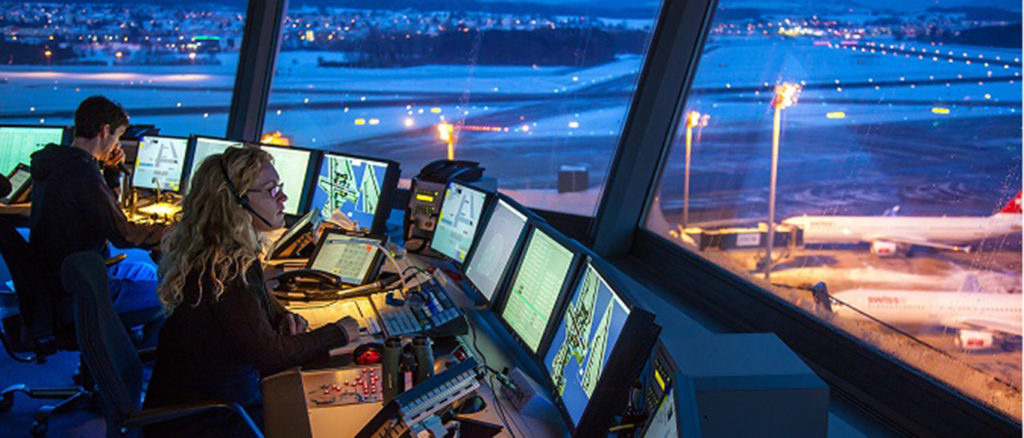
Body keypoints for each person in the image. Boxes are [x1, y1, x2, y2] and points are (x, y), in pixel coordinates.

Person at [144, 147, 360, 438]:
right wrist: (341, 331)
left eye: (280, 187)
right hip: (208, 419)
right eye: (271, 190)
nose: (283, 198)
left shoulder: (223, 255)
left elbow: (253, 315)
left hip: (211, 400)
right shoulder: (226, 271)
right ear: (236, 202)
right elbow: (271, 356)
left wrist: (282, 317)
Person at [29, 95, 165, 340]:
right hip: (82, 289)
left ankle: (119, 346)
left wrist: (111, 172)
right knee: (172, 292)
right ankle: (130, 360)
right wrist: (172, 229)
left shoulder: (57, 162)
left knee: (145, 270)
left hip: (61, 279)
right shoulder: (82, 172)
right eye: (117, 137)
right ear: (105, 131)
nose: (117, 144)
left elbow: (107, 215)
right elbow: (123, 234)